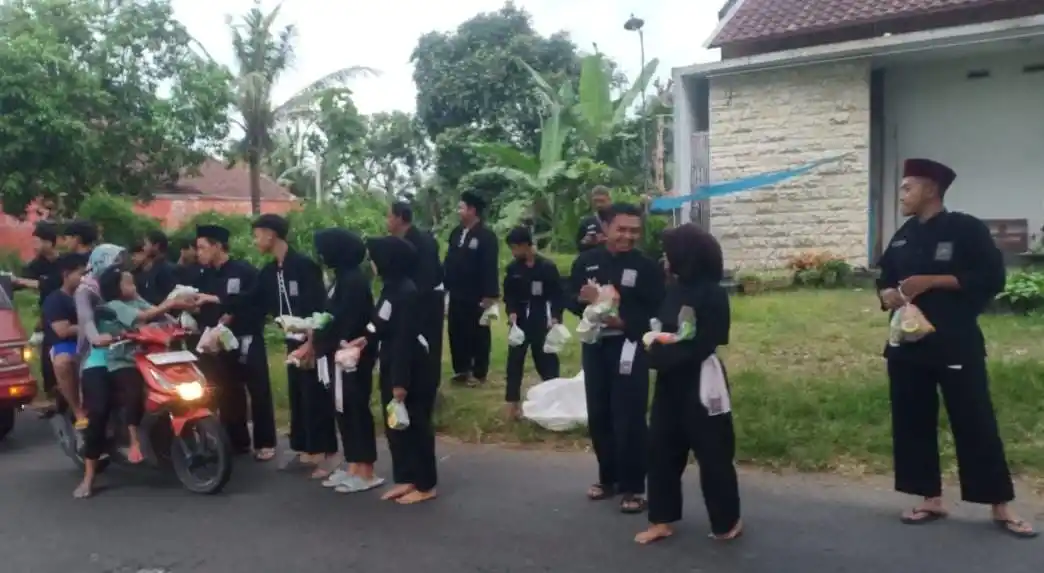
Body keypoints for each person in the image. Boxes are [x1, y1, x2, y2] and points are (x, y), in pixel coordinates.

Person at [876, 158, 1037, 538]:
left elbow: (991, 277)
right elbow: (884, 281)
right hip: (907, 346)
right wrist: (887, 296)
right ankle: (929, 497)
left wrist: (932, 280)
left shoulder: (965, 229)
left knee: (975, 421)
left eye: (907, 187)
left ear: (930, 189)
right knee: (912, 421)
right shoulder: (902, 236)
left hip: (955, 344)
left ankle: (1000, 505)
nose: (901, 194)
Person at [635, 223, 742, 545]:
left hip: (701, 379)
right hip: (670, 381)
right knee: (661, 449)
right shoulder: (673, 288)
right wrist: (655, 347)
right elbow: (660, 326)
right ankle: (661, 518)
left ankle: (727, 520)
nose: (664, 260)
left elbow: (709, 340)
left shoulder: (712, 293)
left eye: (668, 254)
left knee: (713, 452)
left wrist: (666, 354)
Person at [568, 202, 664, 513]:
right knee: (599, 414)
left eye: (635, 230)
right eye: (621, 229)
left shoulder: (647, 267)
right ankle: (607, 478)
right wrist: (582, 301)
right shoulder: (586, 262)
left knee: (630, 417)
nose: (628, 236)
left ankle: (634, 487)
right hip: (595, 347)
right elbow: (569, 297)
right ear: (605, 228)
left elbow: (657, 311)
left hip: (630, 346)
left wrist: (625, 322)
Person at [344, 236, 437, 505]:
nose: (371, 263)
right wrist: (365, 339)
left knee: (416, 425)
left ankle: (426, 483)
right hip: (391, 361)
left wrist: (400, 382)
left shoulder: (406, 293)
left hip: (409, 367)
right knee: (396, 425)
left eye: (374, 258)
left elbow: (404, 340)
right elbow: (379, 323)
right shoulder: (390, 288)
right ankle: (406, 477)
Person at [252, 214, 336, 476]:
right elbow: (256, 303)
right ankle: (304, 450)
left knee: (315, 397)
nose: (255, 241)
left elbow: (319, 308)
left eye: (257, 235)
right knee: (297, 396)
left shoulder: (303, 266)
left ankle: (325, 453)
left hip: (312, 340)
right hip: (291, 341)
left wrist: (312, 342)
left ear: (271, 234)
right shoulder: (268, 272)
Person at [194, 224, 278, 461]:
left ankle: (265, 442)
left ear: (217, 246)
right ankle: (236, 440)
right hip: (217, 343)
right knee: (228, 391)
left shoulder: (243, 271)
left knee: (258, 390)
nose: (199, 253)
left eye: (202, 247)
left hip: (246, 338)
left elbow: (257, 303)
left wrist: (231, 312)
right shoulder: (205, 276)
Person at [95, 265, 192, 465]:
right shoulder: (114, 305)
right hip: (123, 359)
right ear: (115, 287)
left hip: (148, 356)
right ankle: (134, 441)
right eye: (128, 282)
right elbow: (144, 317)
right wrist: (171, 302)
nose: (133, 285)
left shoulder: (135, 300)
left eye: (133, 281)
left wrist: (177, 320)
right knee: (133, 389)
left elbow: (156, 312)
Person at [311, 228, 383, 493]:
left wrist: (327, 336)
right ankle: (353, 464)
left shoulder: (354, 280)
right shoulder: (339, 278)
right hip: (337, 356)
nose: (320, 255)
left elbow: (348, 321)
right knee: (343, 410)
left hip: (352, 357)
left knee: (356, 410)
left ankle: (367, 470)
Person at [72, 244, 125, 499]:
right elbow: (86, 319)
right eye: (114, 264)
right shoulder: (85, 290)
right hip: (96, 356)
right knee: (99, 410)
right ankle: (89, 476)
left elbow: (142, 307)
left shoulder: (119, 284)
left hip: (126, 350)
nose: (118, 269)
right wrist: (96, 338)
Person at [502, 226, 562, 419]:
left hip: (540, 316)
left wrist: (555, 316)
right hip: (519, 318)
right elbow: (509, 294)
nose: (513, 252)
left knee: (546, 359)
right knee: (515, 360)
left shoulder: (547, 267)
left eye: (515, 247)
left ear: (525, 245)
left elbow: (556, 294)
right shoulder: (513, 269)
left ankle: (554, 399)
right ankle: (513, 404)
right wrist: (511, 313)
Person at [387, 201, 445, 392]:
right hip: (411, 300)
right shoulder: (399, 241)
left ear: (400, 218)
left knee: (428, 348)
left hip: (425, 301)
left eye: (389, 216)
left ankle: (428, 390)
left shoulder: (422, 241)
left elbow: (428, 276)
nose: (387, 221)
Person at [443, 191, 499, 386]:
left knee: (478, 333)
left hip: (477, 294)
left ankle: (479, 372)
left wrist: (490, 295)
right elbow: (449, 261)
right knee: (456, 331)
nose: (459, 211)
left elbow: (489, 267)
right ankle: (461, 369)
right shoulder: (456, 233)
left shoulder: (487, 236)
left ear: (472, 210)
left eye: (462, 207)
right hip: (457, 292)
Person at [12, 223, 61, 412]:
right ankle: (51, 401)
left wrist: (26, 282)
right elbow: (21, 281)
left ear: (49, 242)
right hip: (47, 314)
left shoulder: (63, 263)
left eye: (37, 241)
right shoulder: (37, 264)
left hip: (66, 315)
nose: (34, 245)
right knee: (46, 360)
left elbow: (48, 284)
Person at [40, 253, 89, 425]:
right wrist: (89, 328)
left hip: (93, 342)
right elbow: (63, 331)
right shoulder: (55, 300)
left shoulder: (91, 295)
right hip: (67, 344)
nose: (84, 278)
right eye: (80, 274)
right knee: (63, 362)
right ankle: (78, 411)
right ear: (66, 275)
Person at [139, 230, 177, 304]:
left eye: (146, 244)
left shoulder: (167, 269)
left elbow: (170, 298)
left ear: (156, 246)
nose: (144, 248)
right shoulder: (150, 267)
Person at [575, 186, 612, 252]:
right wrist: (586, 241)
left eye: (602, 201)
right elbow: (579, 247)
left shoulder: (618, 219)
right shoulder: (586, 222)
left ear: (609, 200)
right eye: (595, 201)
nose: (598, 205)